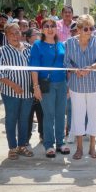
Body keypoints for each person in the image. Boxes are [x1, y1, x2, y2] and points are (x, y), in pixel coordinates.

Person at [64, 14, 96, 160]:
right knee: (77, 116)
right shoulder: (69, 43)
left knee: (94, 115)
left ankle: (92, 147)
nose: (89, 31)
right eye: (86, 28)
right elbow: (66, 62)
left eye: (91, 28)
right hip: (76, 85)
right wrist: (76, 70)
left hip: (95, 84)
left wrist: (90, 68)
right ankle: (79, 148)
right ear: (79, 29)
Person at [30, 18, 69, 158]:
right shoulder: (37, 45)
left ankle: (60, 142)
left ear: (56, 28)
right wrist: (36, 87)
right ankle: (48, 144)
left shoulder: (61, 45)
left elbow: (66, 67)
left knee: (60, 115)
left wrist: (68, 86)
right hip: (46, 85)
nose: (50, 28)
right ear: (42, 29)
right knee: (49, 115)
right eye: (46, 26)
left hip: (62, 84)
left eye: (53, 26)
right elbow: (34, 68)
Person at [0, 23, 34, 160]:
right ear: (6, 36)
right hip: (10, 93)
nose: (14, 36)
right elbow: (0, 74)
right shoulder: (2, 51)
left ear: (21, 33)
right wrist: (14, 86)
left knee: (25, 119)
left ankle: (22, 146)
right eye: (11, 34)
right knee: (11, 119)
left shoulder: (29, 48)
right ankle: (12, 148)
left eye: (17, 32)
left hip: (28, 93)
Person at [25, 28, 43, 145]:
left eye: (38, 34)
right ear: (28, 38)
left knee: (42, 113)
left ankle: (43, 135)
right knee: (28, 114)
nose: (38, 36)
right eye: (35, 34)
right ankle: (26, 138)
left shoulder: (42, 48)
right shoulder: (24, 49)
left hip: (42, 85)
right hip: (27, 87)